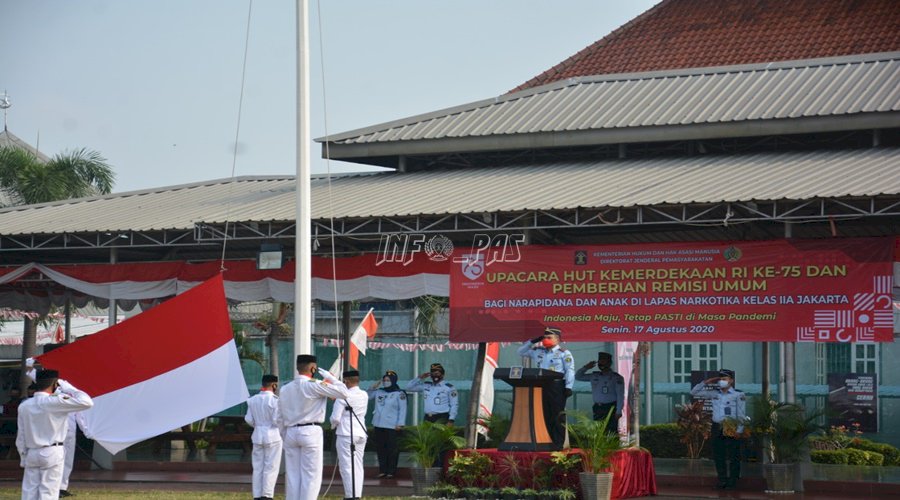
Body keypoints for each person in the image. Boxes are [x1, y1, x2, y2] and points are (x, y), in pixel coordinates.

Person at [277, 354, 350, 500]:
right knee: (311, 475)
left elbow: (279, 416)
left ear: (298, 368)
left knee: (292, 474)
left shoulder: (285, 388)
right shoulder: (314, 384)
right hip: (310, 431)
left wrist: (284, 434)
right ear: (313, 368)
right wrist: (332, 378)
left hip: (290, 431)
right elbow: (344, 393)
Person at [16, 369, 93, 500]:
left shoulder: (24, 406)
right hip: (52, 450)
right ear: (55, 384)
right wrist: (69, 388)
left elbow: (21, 435)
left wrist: (23, 456)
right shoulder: (57, 402)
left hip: (31, 451)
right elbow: (87, 402)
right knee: (49, 491)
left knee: (29, 491)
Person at [516, 326, 575, 448]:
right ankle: (546, 442)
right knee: (543, 414)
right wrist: (532, 341)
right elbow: (520, 352)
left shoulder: (564, 353)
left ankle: (558, 443)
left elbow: (570, 370)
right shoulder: (539, 351)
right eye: (544, 337)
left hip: (556, 386)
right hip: (540, 386)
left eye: (549, 337)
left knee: (557, 415)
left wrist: (568, 386)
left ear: (557, 339)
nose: (545, 339)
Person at [691, 369, 746, 490]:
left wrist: (739, 430)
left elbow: (741, 414)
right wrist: (708, 381)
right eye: (720, 379)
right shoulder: (714, 393)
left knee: (733, 456)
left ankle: (733, 481)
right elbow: (694, 392)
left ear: (731, 381)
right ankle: (722, 480)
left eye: (725, 379)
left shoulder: (738, 394)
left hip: (731, 426)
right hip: (717, 426)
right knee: (718, 455)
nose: (722, 381)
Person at [330, 370, 369, 500]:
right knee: (358, 465)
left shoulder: (342, 398)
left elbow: (335, 418)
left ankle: (350, 496)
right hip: (361, 433)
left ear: (346, 381)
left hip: (346, 433)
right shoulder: (364, 394)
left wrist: (333, 426)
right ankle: (357, 494)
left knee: (346, 466)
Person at [245, 374, 282, 500]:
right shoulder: (275, 400)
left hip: (257, 435)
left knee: (257, 467)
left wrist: (258, 425)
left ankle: (257, 495)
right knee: (271, 467)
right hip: (272, 435)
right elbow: (276, 420)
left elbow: (249, 419)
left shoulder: (252, 399)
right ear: (274, 385)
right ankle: (266, 495)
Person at [367, 370, 406, 479]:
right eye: (384, 380)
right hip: (379, 424)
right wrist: (373, 386)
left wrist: (400, 423)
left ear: (393, 381)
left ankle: (391, 471)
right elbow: (367, 396)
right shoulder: (380, 391)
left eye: (388, 380)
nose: (386, 382)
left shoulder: (399, 393)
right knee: (381, 448)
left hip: (392, 425)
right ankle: (382, 470)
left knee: (392, 449)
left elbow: (402, 410)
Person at [575, 352, 625, 434]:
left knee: (611, 432)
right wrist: (586, 367)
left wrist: (619, 411)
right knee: (598, 432)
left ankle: (612, 447)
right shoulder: (594, 375)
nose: (601, 364)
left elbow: (620, 395)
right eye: (600, 361)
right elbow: (578, 377)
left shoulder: (616, 377)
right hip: (598, 407)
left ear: (609, 363)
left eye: (604, 361)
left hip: (611, 407)